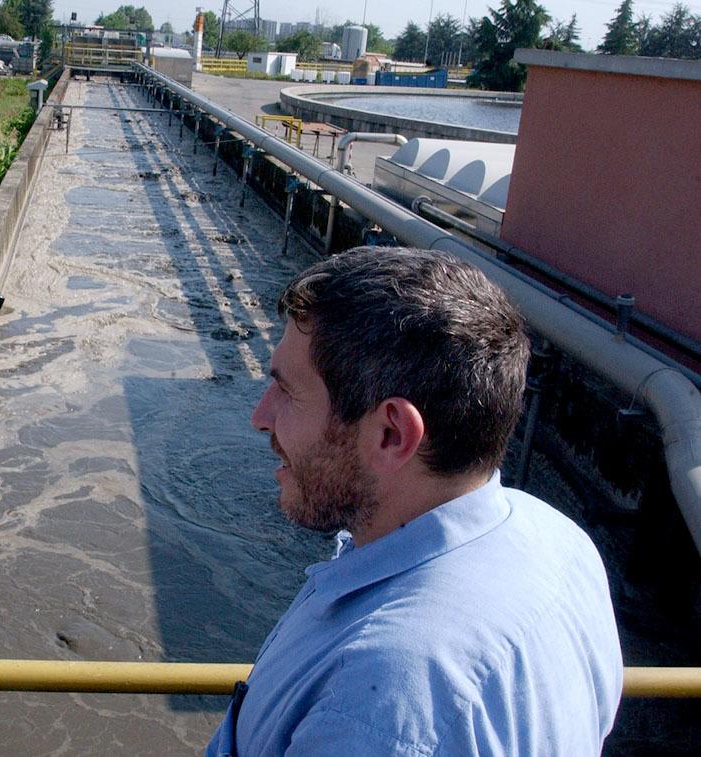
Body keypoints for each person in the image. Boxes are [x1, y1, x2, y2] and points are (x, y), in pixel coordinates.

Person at [207, 248, 623, 756]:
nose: (259, 416)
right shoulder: (560, 541)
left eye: (286, 392)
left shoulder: (379, 705)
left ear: (390, 434)